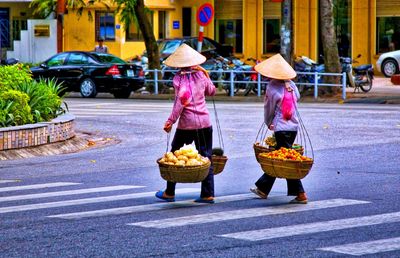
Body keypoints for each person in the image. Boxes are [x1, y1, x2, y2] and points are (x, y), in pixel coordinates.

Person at [155, 43, 216, 204]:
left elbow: (180, 102)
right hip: (204, 122)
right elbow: (212, 91)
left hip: (187, 125)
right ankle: (208, 194)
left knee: (174, 154)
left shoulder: (178, 78)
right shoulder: (201, 75)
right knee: (206, 156)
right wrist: (205, 74)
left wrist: (170, 121)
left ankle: (170, 192)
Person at [250, 53, 308, 204]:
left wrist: (268, 122)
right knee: (280, 157)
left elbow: (268, 108)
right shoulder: (292, 85)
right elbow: (298, 98)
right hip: (293, 127)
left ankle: (301, 194)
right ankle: (263, 188)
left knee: (285, 160)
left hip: (281, 128)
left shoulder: (272, 86)